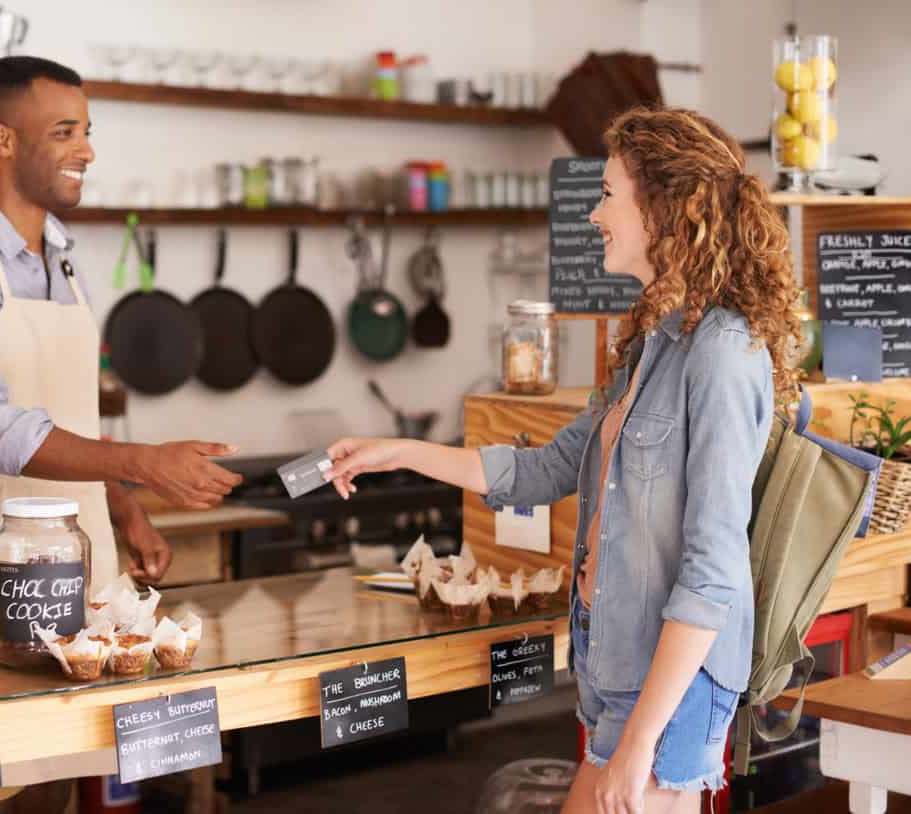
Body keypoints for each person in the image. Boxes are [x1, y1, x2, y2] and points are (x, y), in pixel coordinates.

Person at [325, 107, 800, 814]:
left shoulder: (722, 353)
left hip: (667, 691)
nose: (592, 214)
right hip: (614, 667)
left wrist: (639, 742)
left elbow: (712, 571)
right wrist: (395, 452)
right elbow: (542, 471)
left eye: (607, 193)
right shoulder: (651, 343)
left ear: (664, 206)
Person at [0, 57, 243, 809]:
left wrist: (120, 504)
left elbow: (67, 414)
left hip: (80, 567)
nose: (87, 149)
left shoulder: (63, 255)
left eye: (87, 131)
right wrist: (143, 463)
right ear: (3, 140)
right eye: (65, 132)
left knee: (60, 782)